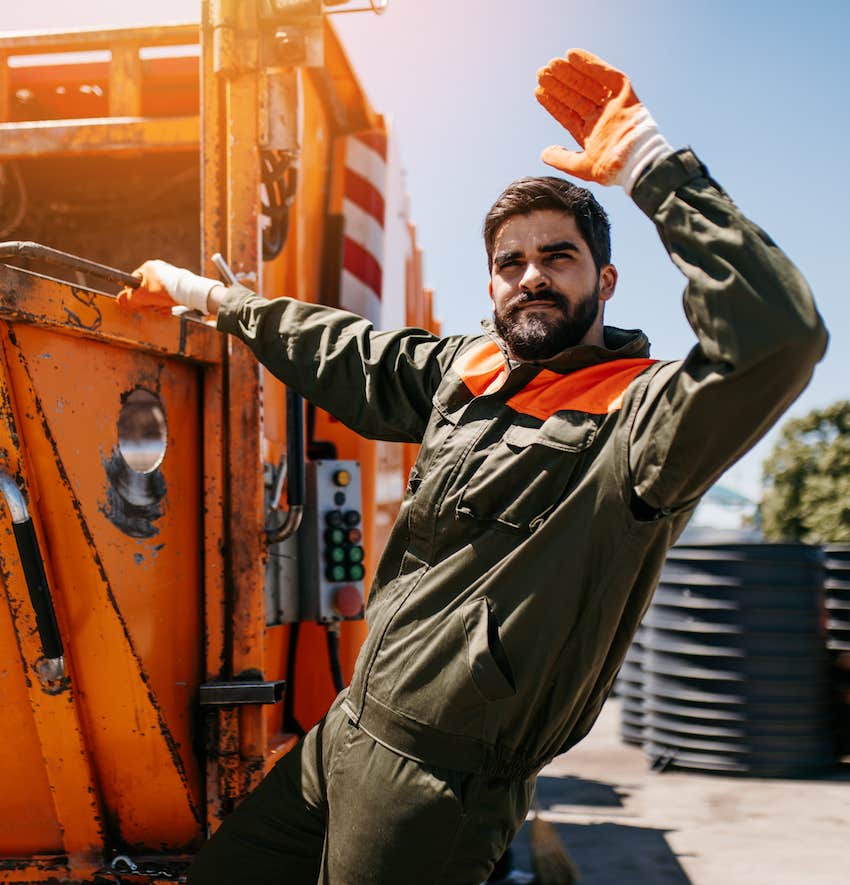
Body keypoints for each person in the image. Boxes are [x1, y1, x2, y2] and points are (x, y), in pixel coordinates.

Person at [119, 49, 827, 885]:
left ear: (604, 278)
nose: (531, 278)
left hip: (435, 784)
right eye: (510, 263)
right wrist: (207, 296)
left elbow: (779, 335)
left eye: (557, 258)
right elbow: (345, 349)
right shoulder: (471, 371)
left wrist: (647, 162)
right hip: (343, 734)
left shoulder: (644, 421)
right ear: (491, 285)